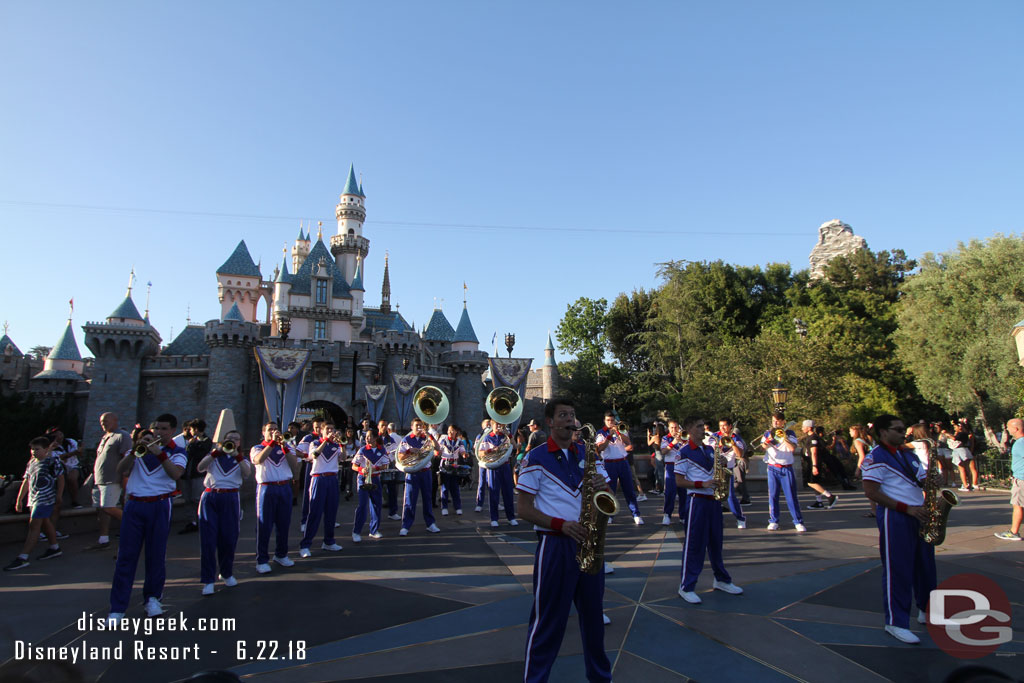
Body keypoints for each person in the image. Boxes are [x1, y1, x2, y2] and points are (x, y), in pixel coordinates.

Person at [516, 397, 612, 683]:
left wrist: (601, 486)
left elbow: (607, 493)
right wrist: (561, 525)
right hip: (555, 546)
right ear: (550, 422)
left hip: (589, 543)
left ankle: (600, 677)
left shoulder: (588, 452)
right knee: (548, 621)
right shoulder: (536, 457)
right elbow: (523, 509)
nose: (570, 420)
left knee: (594, 620)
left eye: (572, 415)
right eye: (563, 415)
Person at [861, 414, 937, 644]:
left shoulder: (908, 454)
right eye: (897, 429)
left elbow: (922, 480)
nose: (903, 433)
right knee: (898, 570)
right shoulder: (876, 457)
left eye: (903, 428)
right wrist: (907, 509)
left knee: (926, 567)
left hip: (919, 514)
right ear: (883, 432)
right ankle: (896, 622)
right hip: (896, 517)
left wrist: (933, 483)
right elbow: (871, 492)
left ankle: (927, 610)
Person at [108, 414, 186, 620]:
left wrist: (159, 453)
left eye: (163, 429)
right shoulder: (136, 450)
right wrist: (134, 453)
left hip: (159, 504)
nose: (159, 432)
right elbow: (120, 470)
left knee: (156, 554)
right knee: (126, 556)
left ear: (172, 431)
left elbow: (176, 474)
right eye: (156, 429)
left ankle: (152, 598)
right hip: (135, 505)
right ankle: (117, 607)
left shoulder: (177, 452)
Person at [674, 417, 743, 603]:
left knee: (716, 542)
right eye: (698, 426)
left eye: (703, 426)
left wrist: (721, 464)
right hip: (697, 501)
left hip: (713, 501)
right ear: (689, 428)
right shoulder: (684, 452)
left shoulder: (710, 449)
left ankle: (721, 579)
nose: (702, 429)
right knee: (694, 544)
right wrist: (701, 483)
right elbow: (679, 481)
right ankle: (686, 586)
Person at [196, 428, 251, 594]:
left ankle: (226, 573)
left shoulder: (243, 459)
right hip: (211, 496)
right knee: (208, 540)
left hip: (231, 498)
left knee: (228, 538)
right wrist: (215, 452)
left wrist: (237, 455)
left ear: (240, 443)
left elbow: (247, 473)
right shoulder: (213, 457)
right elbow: (200, 467)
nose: (233, 441)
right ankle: (207, 580)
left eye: (236, 439)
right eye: (230, 438)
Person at [4, 437, 65, 571]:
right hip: (33, 498)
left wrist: (59, 495)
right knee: (44, 522)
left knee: (34, 525)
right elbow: (26, 482)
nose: (34, 452)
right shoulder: (31, 463)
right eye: (32, 449)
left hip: (45, 498)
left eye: (37, 449)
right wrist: (20, 499)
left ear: (46, 449)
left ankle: (23, 557)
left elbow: (61, 478)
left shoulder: (52, 461)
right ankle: (54, 547)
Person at [252, 421, 300, 573]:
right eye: (270, 430)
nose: (273, 432)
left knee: (284, 524)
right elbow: (258, 460)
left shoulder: (286, 447)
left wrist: (284, 447)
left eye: (275, 430)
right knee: (264, 525)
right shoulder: (257, 448)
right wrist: (272, 443)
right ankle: (262, 559)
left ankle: (281, 554)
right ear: (263, 433)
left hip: (284, 487)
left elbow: (294, 465)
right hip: (267, 488)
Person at [299, 423, 344, 557]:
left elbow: (342, 458)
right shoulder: (314, 442)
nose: (331, 431)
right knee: (314, 512)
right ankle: (305, 545)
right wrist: (325, 440)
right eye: (328, 429)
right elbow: (314, 455)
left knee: (331, 512)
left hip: (332, 478)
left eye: (332, 429)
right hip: (319, 478)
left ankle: (329, 541)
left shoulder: (336, 445)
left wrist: (342, 444)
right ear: (322, 431)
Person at [88, 412, 132, 550]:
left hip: (112, 479)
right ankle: (103, 539)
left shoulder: (122, 436)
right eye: (101, 421)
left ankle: (135, 527)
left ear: (115, 420)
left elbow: (127, 457)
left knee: (108, 507)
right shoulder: (105, 437)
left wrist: (125, 478)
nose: (103, 423)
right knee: (102, 509)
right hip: (99, 479)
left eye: (106, 420)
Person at [595, 412, 643, 525]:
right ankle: (609, 515)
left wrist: (618, 432)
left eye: (612, 420)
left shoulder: (621, 430)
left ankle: (636, 514)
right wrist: (609, 436)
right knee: (610, 491)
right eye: (608, 420)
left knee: (629, 489)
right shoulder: (600, 433)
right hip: (609, 463)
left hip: (623, 462)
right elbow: (600, 448)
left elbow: (628, 443)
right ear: (604, 421)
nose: (610, 422)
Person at [760, 414, 806, 532]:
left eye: (777, 421)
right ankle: (773, 521)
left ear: (783, 422)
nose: (775, 423)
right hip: (772, 467)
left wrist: (783, 436)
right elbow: (763, 446)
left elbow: (792, 449)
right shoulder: (767, 433)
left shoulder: (790, 433)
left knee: (791, 496)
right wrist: (770, 438)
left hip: (786, 468)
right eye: (773, 421)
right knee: (773, 496)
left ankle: (798, 521)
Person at [398, 418, 442, 536]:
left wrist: (430, 436)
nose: (419, 428)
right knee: (409, 500)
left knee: (427, 498)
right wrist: (409, 451)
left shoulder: (427, 438)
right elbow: (400, 456)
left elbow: (438, 449)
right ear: (411, 427)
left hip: (425, 471)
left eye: (420, 425)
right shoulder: (406, 439)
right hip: (412, 472)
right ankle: (406, 525)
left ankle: (430, 524)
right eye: (416, 425)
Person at [478, 419, 518, 528]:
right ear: (492, 425)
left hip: (505, 465)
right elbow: (480, 453)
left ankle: (511, 517)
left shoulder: (506, 436)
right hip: (493, 467)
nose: (498, 426)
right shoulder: (487, 437)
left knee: (508, 493)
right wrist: (490, 451)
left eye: (500, 424)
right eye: (496, 424)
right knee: (494, 492)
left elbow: (515, 447)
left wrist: (509, 435)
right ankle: (494, 518)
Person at [352, 430, 388, 542]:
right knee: (362, 505)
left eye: (370, 436)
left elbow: (385, 465)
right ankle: (356, 532)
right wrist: (361, 469)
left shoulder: (382, 450)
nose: (367, 439)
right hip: (363, 478)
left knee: (377, 504)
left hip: (375, 478)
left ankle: (374, 530)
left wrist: (375, 468)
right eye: (366, 437)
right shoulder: (362, 450)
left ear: (375, 437)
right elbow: (353, 465)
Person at [711, 418, 747, 529]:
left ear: (730, 426)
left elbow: (740, 455)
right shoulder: (714, 436)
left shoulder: (736, 438)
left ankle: (740, 518)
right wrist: (720, 444)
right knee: (714, 496)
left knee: (730, 496)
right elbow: (709, 449)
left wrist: (733, 444)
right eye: (720, 425)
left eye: (725, 425)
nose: (722, 428)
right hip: (715, 469)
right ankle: (716, 519)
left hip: (728, 469)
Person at [180, 419, 213, 534]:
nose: (190, 431)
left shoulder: (206, 441)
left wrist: (193, 445)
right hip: (187, 474)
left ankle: (201, 520)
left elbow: (201, 455)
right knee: (187, 499)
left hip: (198, 475)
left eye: (191, 429)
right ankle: (191, 521)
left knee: (197, 498)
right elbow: (187, 454)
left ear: (197, 429)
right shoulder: (191, 441)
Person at [994, 418, 1024, 541]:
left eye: (1008, 427)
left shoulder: (1020, 443)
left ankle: (1014, 532)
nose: (1007, 429)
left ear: (1016, 429)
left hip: (1021, 479)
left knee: (1017, 505)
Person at [799, 420, 839, 511]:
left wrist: (815, 466)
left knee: (811, 482)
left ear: (809, 428)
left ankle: (830, 496)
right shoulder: (809, 437)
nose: (802, 428)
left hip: (814, 463)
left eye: (803, 426)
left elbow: (814, 453)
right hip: (810, 462)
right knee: (815, 482)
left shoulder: (813, 438)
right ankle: (819, 501)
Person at [297, 417, 324, 531]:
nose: (318, 429)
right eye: (316, 427)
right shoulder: (309, 437)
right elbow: (297, 451)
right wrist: (307, 457)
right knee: (309, 493)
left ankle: (327, 519)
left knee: (326, 495)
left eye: (319, 427)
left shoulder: (327, 436)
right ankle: (305, 520)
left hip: (325, 468)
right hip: (312, 467)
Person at [659, 420, 689, 525]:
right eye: (671, 428)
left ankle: (683, 515)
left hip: (683, 466)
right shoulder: (665, 438)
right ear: (668, 428)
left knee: (683, 492)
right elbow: (663, 451)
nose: (674, 430)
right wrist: (673, 443)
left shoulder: (684, 437)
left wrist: (683, 441)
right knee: (670, 492)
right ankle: (667, 514)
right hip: (671, 467)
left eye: (676, 427)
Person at [47, 427, 82, 509]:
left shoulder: (70, 441)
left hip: (73, 466)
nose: (59, 435)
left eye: (59, 432)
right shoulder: (50, 447)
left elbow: (78, 452)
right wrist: (73, 453)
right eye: (55, 434)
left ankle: (74, 500)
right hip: (58, 468)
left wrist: (77, 451)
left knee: (72, 478)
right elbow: (59, 457)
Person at [438, 424, 466, 516]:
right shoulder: (443, 440)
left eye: (452, 431)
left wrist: (464, 454)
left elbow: (462, 450)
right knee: (445, 487)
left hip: (454, 464)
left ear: (456, 432)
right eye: (449, 431)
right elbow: (440, 449)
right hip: (445, 464)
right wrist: (438, 452)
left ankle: (458, 507)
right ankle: (444, 507)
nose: (450, 432)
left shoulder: (460, 441)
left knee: (455, 487)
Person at [378, 420, 402, 520]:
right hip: (378, 465)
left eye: (386, 425)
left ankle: (393, 512)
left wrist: (392, 453)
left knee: (392, 489)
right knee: (378, 490)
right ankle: (376, 512)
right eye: (382, 425)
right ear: (378, 427)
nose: (384, 427)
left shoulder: (390, 439)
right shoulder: (375, 438)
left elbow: (396, 450)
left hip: (390, 464)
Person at [951, 421, 979, 492]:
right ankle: (970, 484)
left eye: (955, 427)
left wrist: (947, 434)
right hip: (966, 450)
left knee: (963, 469)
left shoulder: (962, 434)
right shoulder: (966, 434)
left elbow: (954, 439)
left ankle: (966, 484)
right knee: (968, 468)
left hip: (961, 450)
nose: (954, 428)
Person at [473, 419, 490, 512]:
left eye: (489, 424)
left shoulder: (493, 435)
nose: (488, 426)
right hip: (483, 462)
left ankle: (496, 503)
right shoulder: (479, 435)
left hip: (492, 462)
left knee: (493, 484)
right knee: (482, 482)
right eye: (486, 425)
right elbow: (476, 448)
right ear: (483, 426)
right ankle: (479, 503)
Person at [647, 421, 666, 495]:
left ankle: (663, 489)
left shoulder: (655, 437)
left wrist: (648, 436)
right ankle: (658, 488)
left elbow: (649, 443)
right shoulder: (664, 437)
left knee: (660, 473)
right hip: (663, 454)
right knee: (658, 472)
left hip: (658, 454)